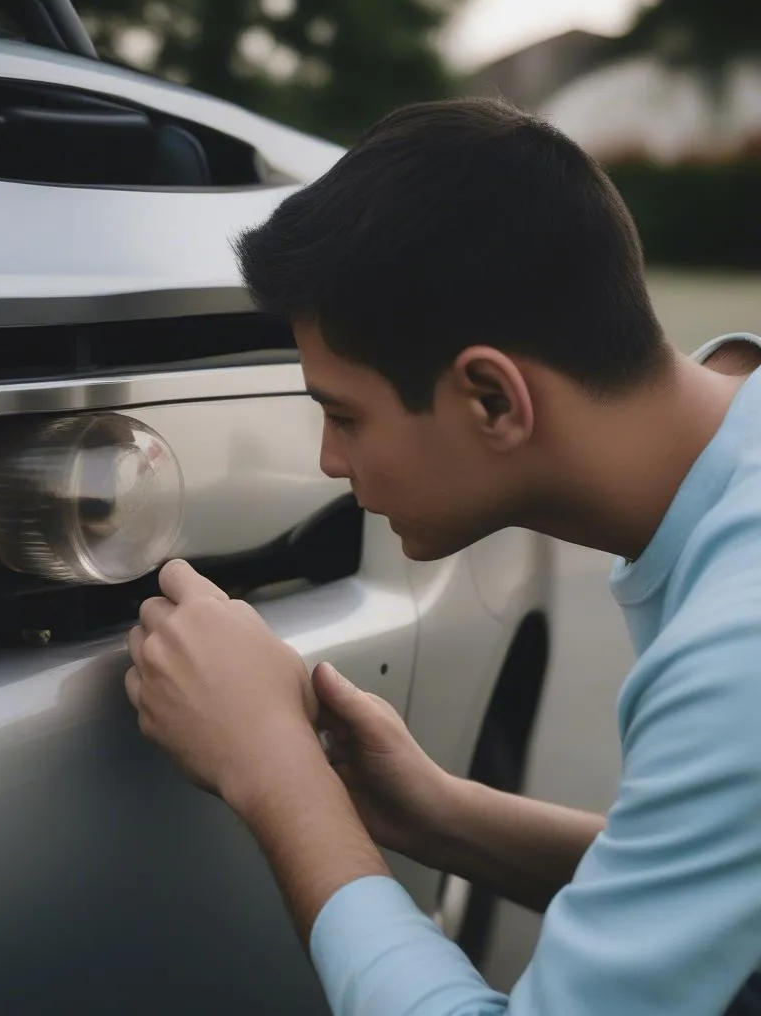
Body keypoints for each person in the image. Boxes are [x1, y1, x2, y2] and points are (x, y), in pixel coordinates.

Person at [122, 98, 761, 1015]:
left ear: (493, 400)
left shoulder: (742, 641)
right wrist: (440, 815)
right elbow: (719, 889)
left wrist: (274, 773)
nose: (329, 462)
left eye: (345, 414)